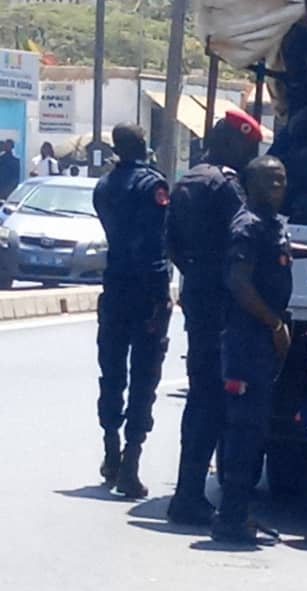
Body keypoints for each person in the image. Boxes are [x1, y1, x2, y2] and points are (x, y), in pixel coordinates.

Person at [212, 156, 307, 545]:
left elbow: (281, 249)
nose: (278, 188)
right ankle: (231, 518)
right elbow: (238, 282)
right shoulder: (246, 225)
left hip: (262, 342)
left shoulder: (270, 223)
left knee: (255, 427)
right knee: (243, 429)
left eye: (282, 181)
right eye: (270, 182)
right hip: (246, 339)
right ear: (252, 185)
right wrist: (274, 324)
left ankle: (238, 513)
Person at [165, 110, 262, 526]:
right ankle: (190, 497)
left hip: (199, 298)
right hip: (222, 303)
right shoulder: (225, 185)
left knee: (200, 396)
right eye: (247, 147)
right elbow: (247, 234)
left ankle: (187, 491)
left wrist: (197, 277)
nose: (250, 156)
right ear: (229, 141)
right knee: (215, 401)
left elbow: (170, 243)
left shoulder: (187, 179)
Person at [93, 124, 173, 498]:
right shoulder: (153, 186)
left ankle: (111, 451)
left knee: (111, 372)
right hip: (146, 292)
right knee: (144, 376)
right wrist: (162, 297)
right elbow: (156, 246)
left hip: (115, 287)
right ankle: (131, 462)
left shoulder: (104, 187)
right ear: (143, 145)